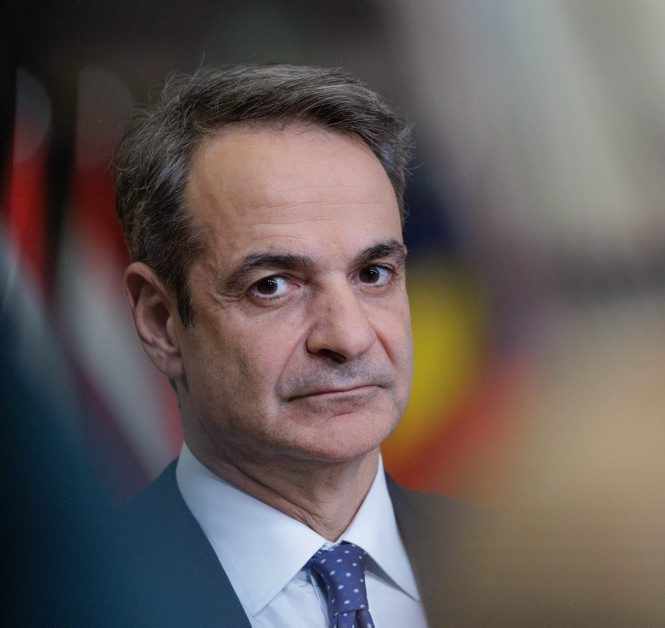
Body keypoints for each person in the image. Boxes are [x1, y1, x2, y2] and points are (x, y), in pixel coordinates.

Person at [111, 64, 469, 627]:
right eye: (273, 286)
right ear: (161, 321)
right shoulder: (63, 599)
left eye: (373, 274)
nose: (349, 337)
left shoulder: (536, 576)